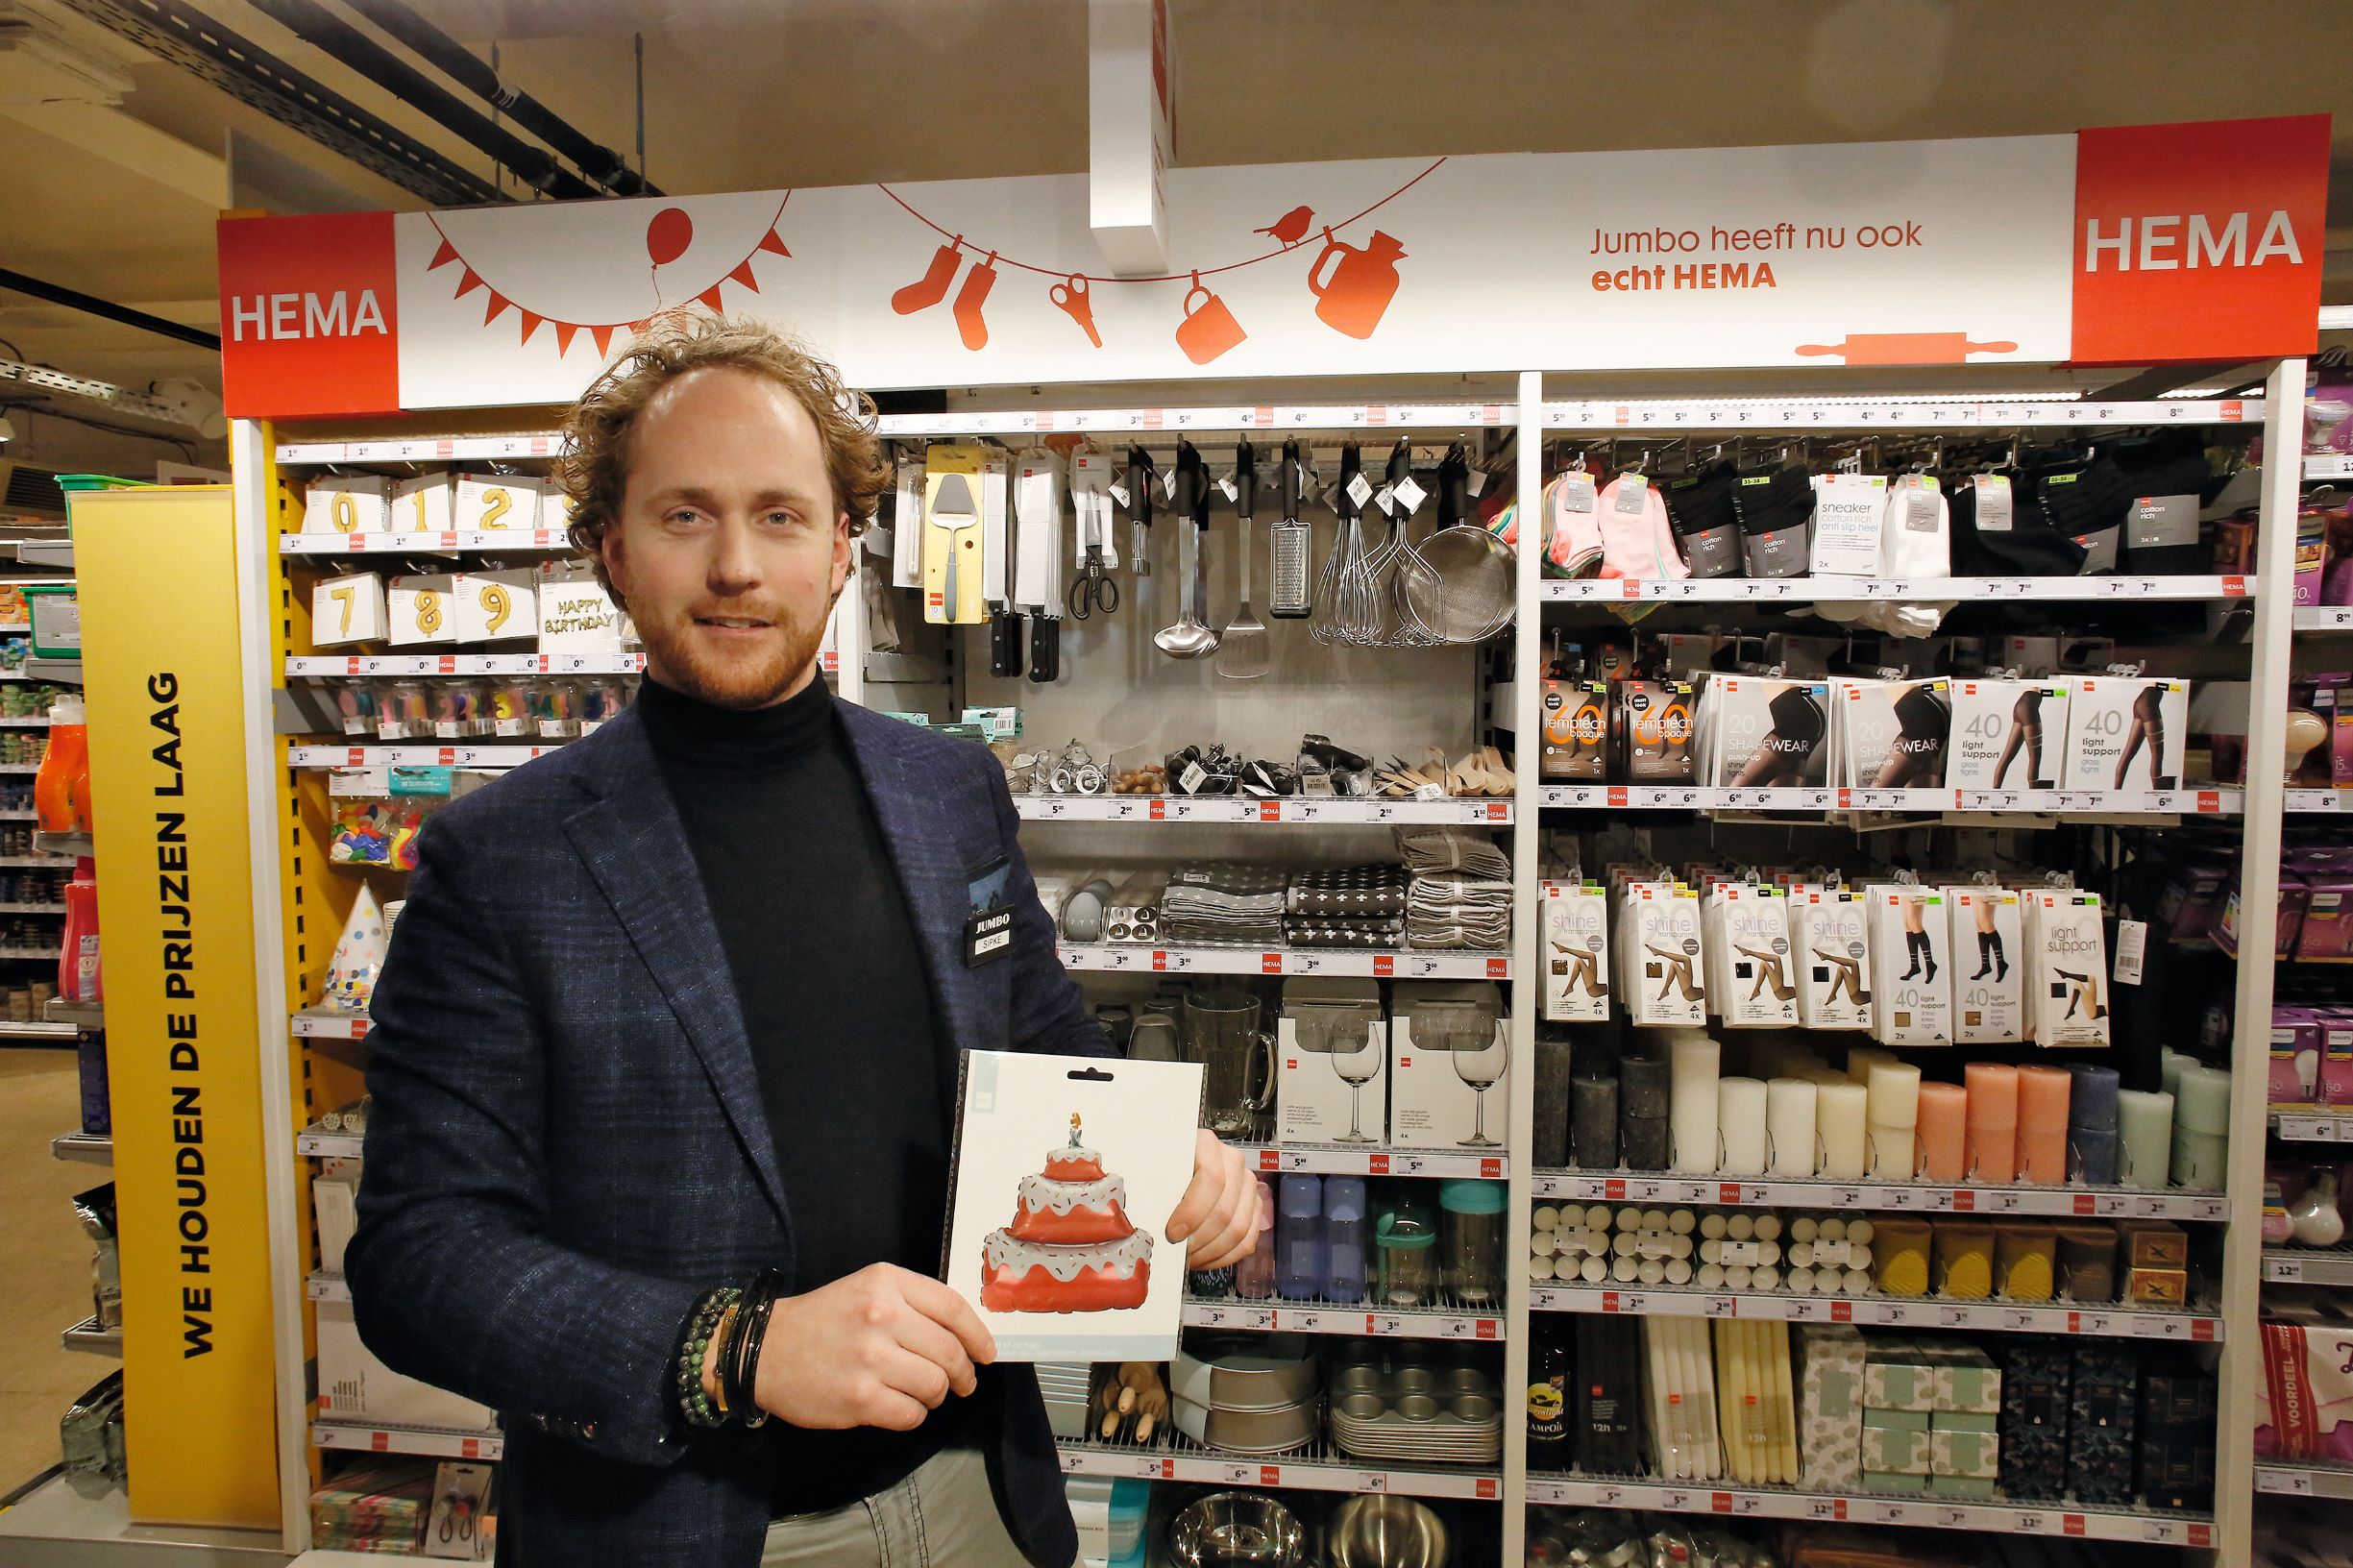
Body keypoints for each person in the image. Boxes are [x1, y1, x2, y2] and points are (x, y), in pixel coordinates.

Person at [345, 314, 1261, 1568]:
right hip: (687, 1525)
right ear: (612, 549)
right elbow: (419, 1260)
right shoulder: (500, 860)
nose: (736, 565)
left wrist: (1171, 1151)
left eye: (779, 515)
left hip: (975, 1488)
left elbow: (1044, 1042)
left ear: (840, 548)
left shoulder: (948, 791)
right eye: (685, 515)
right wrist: (736, 1350)